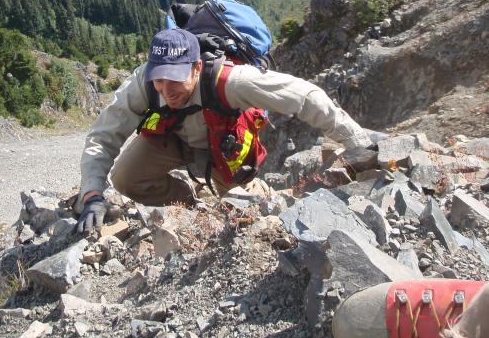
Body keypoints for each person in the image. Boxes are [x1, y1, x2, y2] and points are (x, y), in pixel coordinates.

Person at [76, 27, 372, 233]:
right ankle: (190, 204)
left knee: (250, 207)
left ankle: (259, 191)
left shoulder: (231, 82)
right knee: (126, 177)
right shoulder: (143, 82)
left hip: (224, 149)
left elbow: (304, 96)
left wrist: (358, 142)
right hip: (174, 139)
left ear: (195, 67)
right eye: (159, 81)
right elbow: (103, 135)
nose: (166, 91)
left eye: (175, 81)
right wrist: (92, 195)